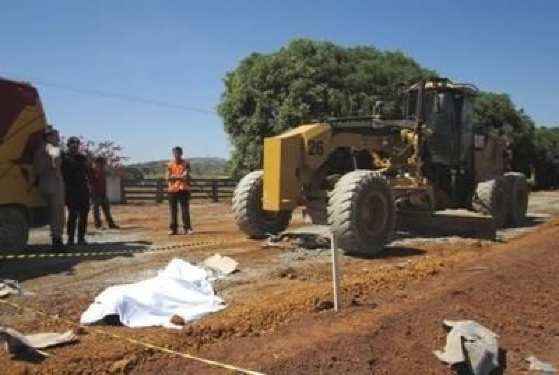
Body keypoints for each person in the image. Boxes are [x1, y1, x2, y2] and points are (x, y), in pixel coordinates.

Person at [33, 126, 66, 251]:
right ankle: (57, 241)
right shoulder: (52, 148)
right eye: (56, 136)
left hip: (44, 183)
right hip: (54, 184)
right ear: (49, 137)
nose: (58, 138)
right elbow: (55, 164)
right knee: (57, 214)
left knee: (53, 213)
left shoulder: (39, 149)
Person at [62, 137, 90, 246]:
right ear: (68, 145)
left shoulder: (82, 157)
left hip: (83, 190)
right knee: (73, 216)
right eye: (72, 144)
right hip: (71, 190)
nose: (75, 146)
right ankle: (70, 239)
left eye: (76, 144)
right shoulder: (64, 157)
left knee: (84, 215)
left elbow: (87, 171)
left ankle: (81, 238)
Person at [166, 146, 193, 235]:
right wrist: (179, 177)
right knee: (173, 210)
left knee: (185, 210)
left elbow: (186, 176)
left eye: (178, 153)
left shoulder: (186, 164)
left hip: (184, 189)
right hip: (172, 190)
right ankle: (173, 229)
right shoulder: (169, 164)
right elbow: (167, 177)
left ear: (181, 153)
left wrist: (174, 177)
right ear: (173, 154)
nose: (176, 155)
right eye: (175, 153)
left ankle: (187, 228)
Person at [89, 156, 119, 229]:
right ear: (97, 163)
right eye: (101, 163)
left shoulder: (102, 171)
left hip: (102, 193)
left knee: (106, 210)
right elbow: (91, 181)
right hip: (95, 193)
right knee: (96, 210)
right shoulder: (92, 171)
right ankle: (98, 224)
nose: (102, 165)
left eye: (103, 164)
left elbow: (111, 173)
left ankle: (110, 224)